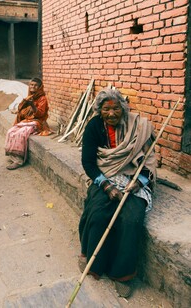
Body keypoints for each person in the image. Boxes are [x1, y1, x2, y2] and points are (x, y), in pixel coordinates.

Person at [79, 88, 157, 297]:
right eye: (106, 109)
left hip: (133, 176)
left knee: (131, 218)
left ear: (123, 108)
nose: (111, 114)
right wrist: (106, 186)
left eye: (116, 109)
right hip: (105, 175)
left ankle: (122, 274)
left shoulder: (138, 126)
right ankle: (93, 260)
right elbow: (88, 162)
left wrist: (139, 182)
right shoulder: (94, 126)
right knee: (98, 212)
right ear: (99, 110)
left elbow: (149, 160)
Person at [4, 77, 51, 170]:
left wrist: (32, 105)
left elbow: (40, 114)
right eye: (31, 85)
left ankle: (19, 160)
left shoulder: (43, 98)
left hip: (38, 122)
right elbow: (21, 111)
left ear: (40, 87)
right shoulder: (29, 97)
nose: (33, 87)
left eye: (36, 85)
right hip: (27, 120)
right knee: (11, 131)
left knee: (21, 134)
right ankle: (13, 155)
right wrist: (25, 105)